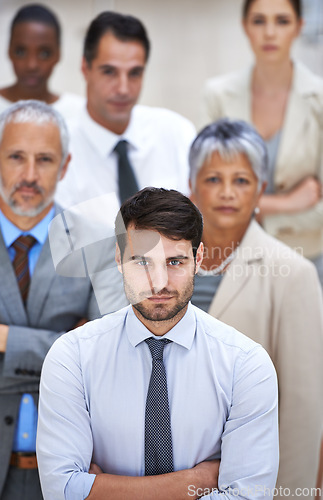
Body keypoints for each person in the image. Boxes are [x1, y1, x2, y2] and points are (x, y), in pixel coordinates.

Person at [37, 187, 279, 500]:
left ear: (199, 259)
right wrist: (195, 481)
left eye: (175, 262)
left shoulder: (245, 365)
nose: (159, 282)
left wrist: (102, 489)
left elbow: (248, 496)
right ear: (118, 258)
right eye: (142, 262)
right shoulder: (72, 357)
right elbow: (62, 491)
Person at [189, 119, 323, 500]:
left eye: (242, 180)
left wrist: (288, 495)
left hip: (246, 481)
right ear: (191, 186)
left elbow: (302, 407)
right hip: (166, 474)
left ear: (261, 189)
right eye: (214, 179)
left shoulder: (293, 273)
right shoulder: (163, 263)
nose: (227, 192)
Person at [0, 100, 103, 500]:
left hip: (69, 473)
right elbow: (79, 358)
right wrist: (65, 342)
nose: (29, 175)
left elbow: (104, 366)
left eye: (44, 159)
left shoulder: (97, 245)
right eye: (15, 157)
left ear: (64, 165)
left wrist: (8, 341)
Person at [200, 0, 323, 286]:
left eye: (281, 21)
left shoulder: (319, 100)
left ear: (299, 27)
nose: (269, 32)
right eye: (258, 21)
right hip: (230, 260)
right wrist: (287, 203)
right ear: (245, 27)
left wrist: (248, 210)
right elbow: (204, 191)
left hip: (307, 259)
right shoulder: (217, 95)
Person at [55, 11, 196, 209]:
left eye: (134, 73)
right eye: (109, 72)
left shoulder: (176, 133)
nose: (123, 89)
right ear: (85, 68)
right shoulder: (58, 149)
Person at [0, 4, 85, 121]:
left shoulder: (78, 112)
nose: (32, 65)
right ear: (9, 51)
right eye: (20, 52)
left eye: (45, 54)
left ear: (58, 55)